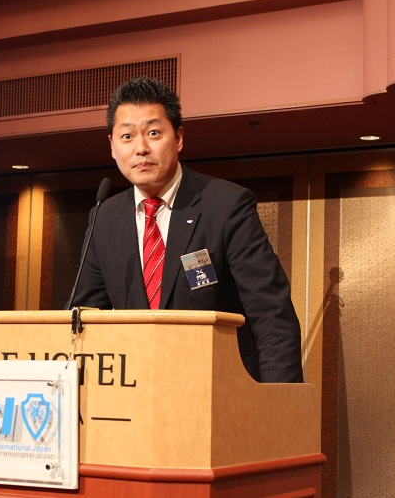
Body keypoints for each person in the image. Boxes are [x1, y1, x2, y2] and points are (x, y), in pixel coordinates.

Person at [70, 77, 303, 383]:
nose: (141, 148)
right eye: (127, 136)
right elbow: (82, 318)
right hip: (137, 389)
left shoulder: (226, 205)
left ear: (178, 138)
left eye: (153, 133)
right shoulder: (105, 218)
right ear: (112, 146)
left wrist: (278, 401)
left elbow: (272, 315)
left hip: (220, 388)